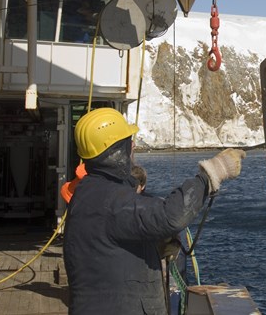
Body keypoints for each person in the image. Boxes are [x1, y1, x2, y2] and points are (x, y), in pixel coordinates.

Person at [63, 107, 245, 314]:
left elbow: (110, 243)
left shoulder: (89, 192)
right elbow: (170, 216)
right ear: (117, 150)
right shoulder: (111, 199)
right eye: (128, 143)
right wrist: (214, 171)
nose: (132, 148)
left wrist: (152, 245)